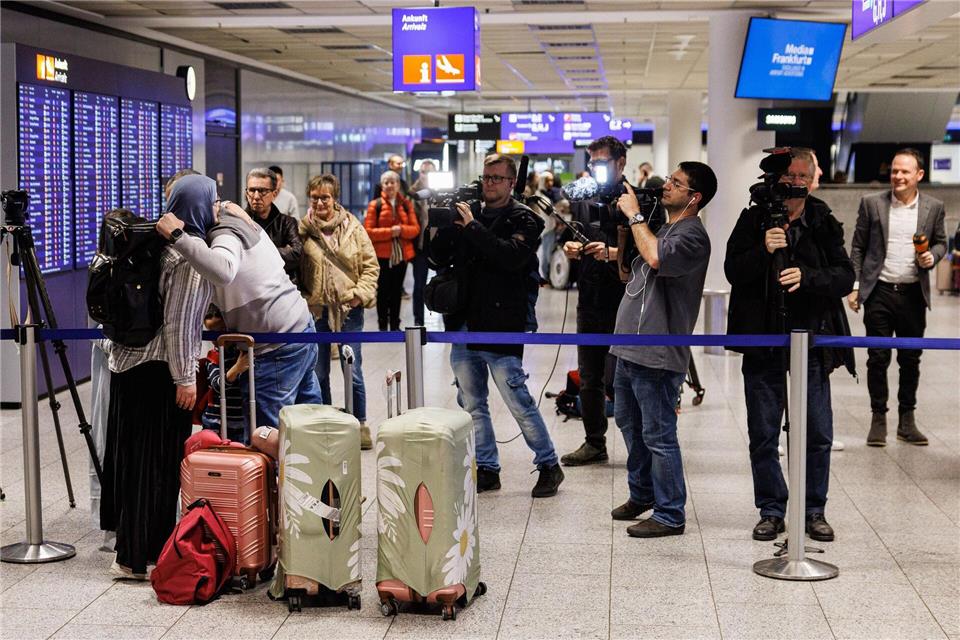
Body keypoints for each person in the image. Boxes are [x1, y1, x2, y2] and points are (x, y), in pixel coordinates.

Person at [725, 148, 855, 543]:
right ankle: (771, 509)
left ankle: (814, 509)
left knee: (817, 432)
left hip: (812, 342)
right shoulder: (752, 218)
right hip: (763, 341)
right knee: (763, 432)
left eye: (805, 175)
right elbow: (734, 271)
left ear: (813, 179)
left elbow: (844, 277)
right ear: (777, 178)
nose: (797, 182)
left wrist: (809, 276)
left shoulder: (822, 220)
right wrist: (763, 250)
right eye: (791, 175)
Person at [428, 154, 564, 498]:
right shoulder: (466, 211)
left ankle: (549, 464)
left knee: (517, 399)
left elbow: (509, 257)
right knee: (472, 402)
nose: (488, 183)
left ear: (511, 182)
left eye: (496, 178)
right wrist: (440, 224)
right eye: (486, 177)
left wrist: (473, 226)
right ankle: (487, 467)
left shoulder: (525, 218)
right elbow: (437, 257)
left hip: (501, 322)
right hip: (463, 321)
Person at [99, 180, 214, 578]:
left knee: (133, 462)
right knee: (158, 465)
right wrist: (186, 378)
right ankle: (142, 556)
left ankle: (131, 551)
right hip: (159, 371)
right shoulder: (188, 257)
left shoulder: (152, 242)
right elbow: (179, 325)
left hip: (128, 364)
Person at [156, 181, 323, 430]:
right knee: (306, 427)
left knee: (268, 435)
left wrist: (178, 237)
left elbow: (224, 271)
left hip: (275, 346)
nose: (217, 204)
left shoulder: (222, 233)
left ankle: (279, 470)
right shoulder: (234, 216)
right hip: (300, 331)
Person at [610, 161, 716, 538]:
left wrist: (635, 214)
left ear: (694, 197)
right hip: (628, 345)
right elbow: (633, 270)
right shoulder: (664, 227)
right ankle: (642, 495)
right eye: (669, 179)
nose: (667, 185)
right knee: (630, 424)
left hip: (657, 350)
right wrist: (615, 242)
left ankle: (670, 512)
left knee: (657, 433)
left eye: (676, 182)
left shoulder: (693, 236)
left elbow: (657, 258)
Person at [848, 148, 948, 447]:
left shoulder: (934, 207)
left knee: (910, 358)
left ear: (919, 175)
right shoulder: (871, 204)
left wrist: (933, 256)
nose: (898, 176)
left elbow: (942, 242)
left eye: (905, 171)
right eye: (894, 171)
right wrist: (855, 286)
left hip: (913, 293)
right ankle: (878, 418)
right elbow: (858, 248)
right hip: (879, 290)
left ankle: (907, 420)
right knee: (877, 358)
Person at [560, 136, 629, 467]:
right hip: (590, 296)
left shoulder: (637, 200)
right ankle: (594, 441)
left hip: (628, 300)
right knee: (590, 376)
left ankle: (640, 446)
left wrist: (613, 254)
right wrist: (571, 248)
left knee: (629, 378)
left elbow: (651, 250)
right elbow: (571, 234)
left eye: (602, 163)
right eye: (592, 164)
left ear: (620, 163)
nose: (596, 170)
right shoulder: (583, 196)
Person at [300, 173, 380, 449]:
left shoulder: (353, 227)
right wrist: (305, 298)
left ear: (335, 199)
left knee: (352, 370)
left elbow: (371, 265)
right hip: (318, 312)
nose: (320, 202)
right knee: (319, 372)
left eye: (325, 197)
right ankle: (327, 423)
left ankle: (360, 424)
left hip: (349, 310)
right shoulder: (303, 230)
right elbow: (295, 269)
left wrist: (359, 295)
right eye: (315, 198)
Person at [364, 170, 419, 331]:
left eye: (392, 182)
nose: (389, 185)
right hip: (382, 255)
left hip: (401, 255)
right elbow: (368, 231)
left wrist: (400, 229)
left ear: (398, 184)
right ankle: (382, 325)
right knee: (382, 290)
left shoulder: (406, 204)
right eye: (386, 182)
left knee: (396, 291)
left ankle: (395, 325)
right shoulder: (376, 205)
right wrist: (390, 232)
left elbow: (415, 229)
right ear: (382, 185)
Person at [245, 167, 303, 287]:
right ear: (246, 193)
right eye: (252, 190)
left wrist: (256, 253)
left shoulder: (286, 223)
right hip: (248, 290)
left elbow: (297, 254)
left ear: (274, 194)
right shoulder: (240, 222)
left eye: (262, 191)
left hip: (281, 289)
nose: (256, 196)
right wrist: (281, 250)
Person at [201, 307, 249, 442]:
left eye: (221, 330)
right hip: (216, 420)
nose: (218, 338)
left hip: (240, 420)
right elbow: (217, 385)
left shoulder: (242, 352)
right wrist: (237, 368)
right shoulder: (214, 356)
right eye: (211, 333)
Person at [410, 161, 436, 326]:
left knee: (443, 283)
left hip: (438, 245)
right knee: (419, 285)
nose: (425, 175)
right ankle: (419, 321)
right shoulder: (412, 194)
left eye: (429, 172)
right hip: (420, 246)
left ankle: (447, 317)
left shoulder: (443, 192)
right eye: (423, 172)